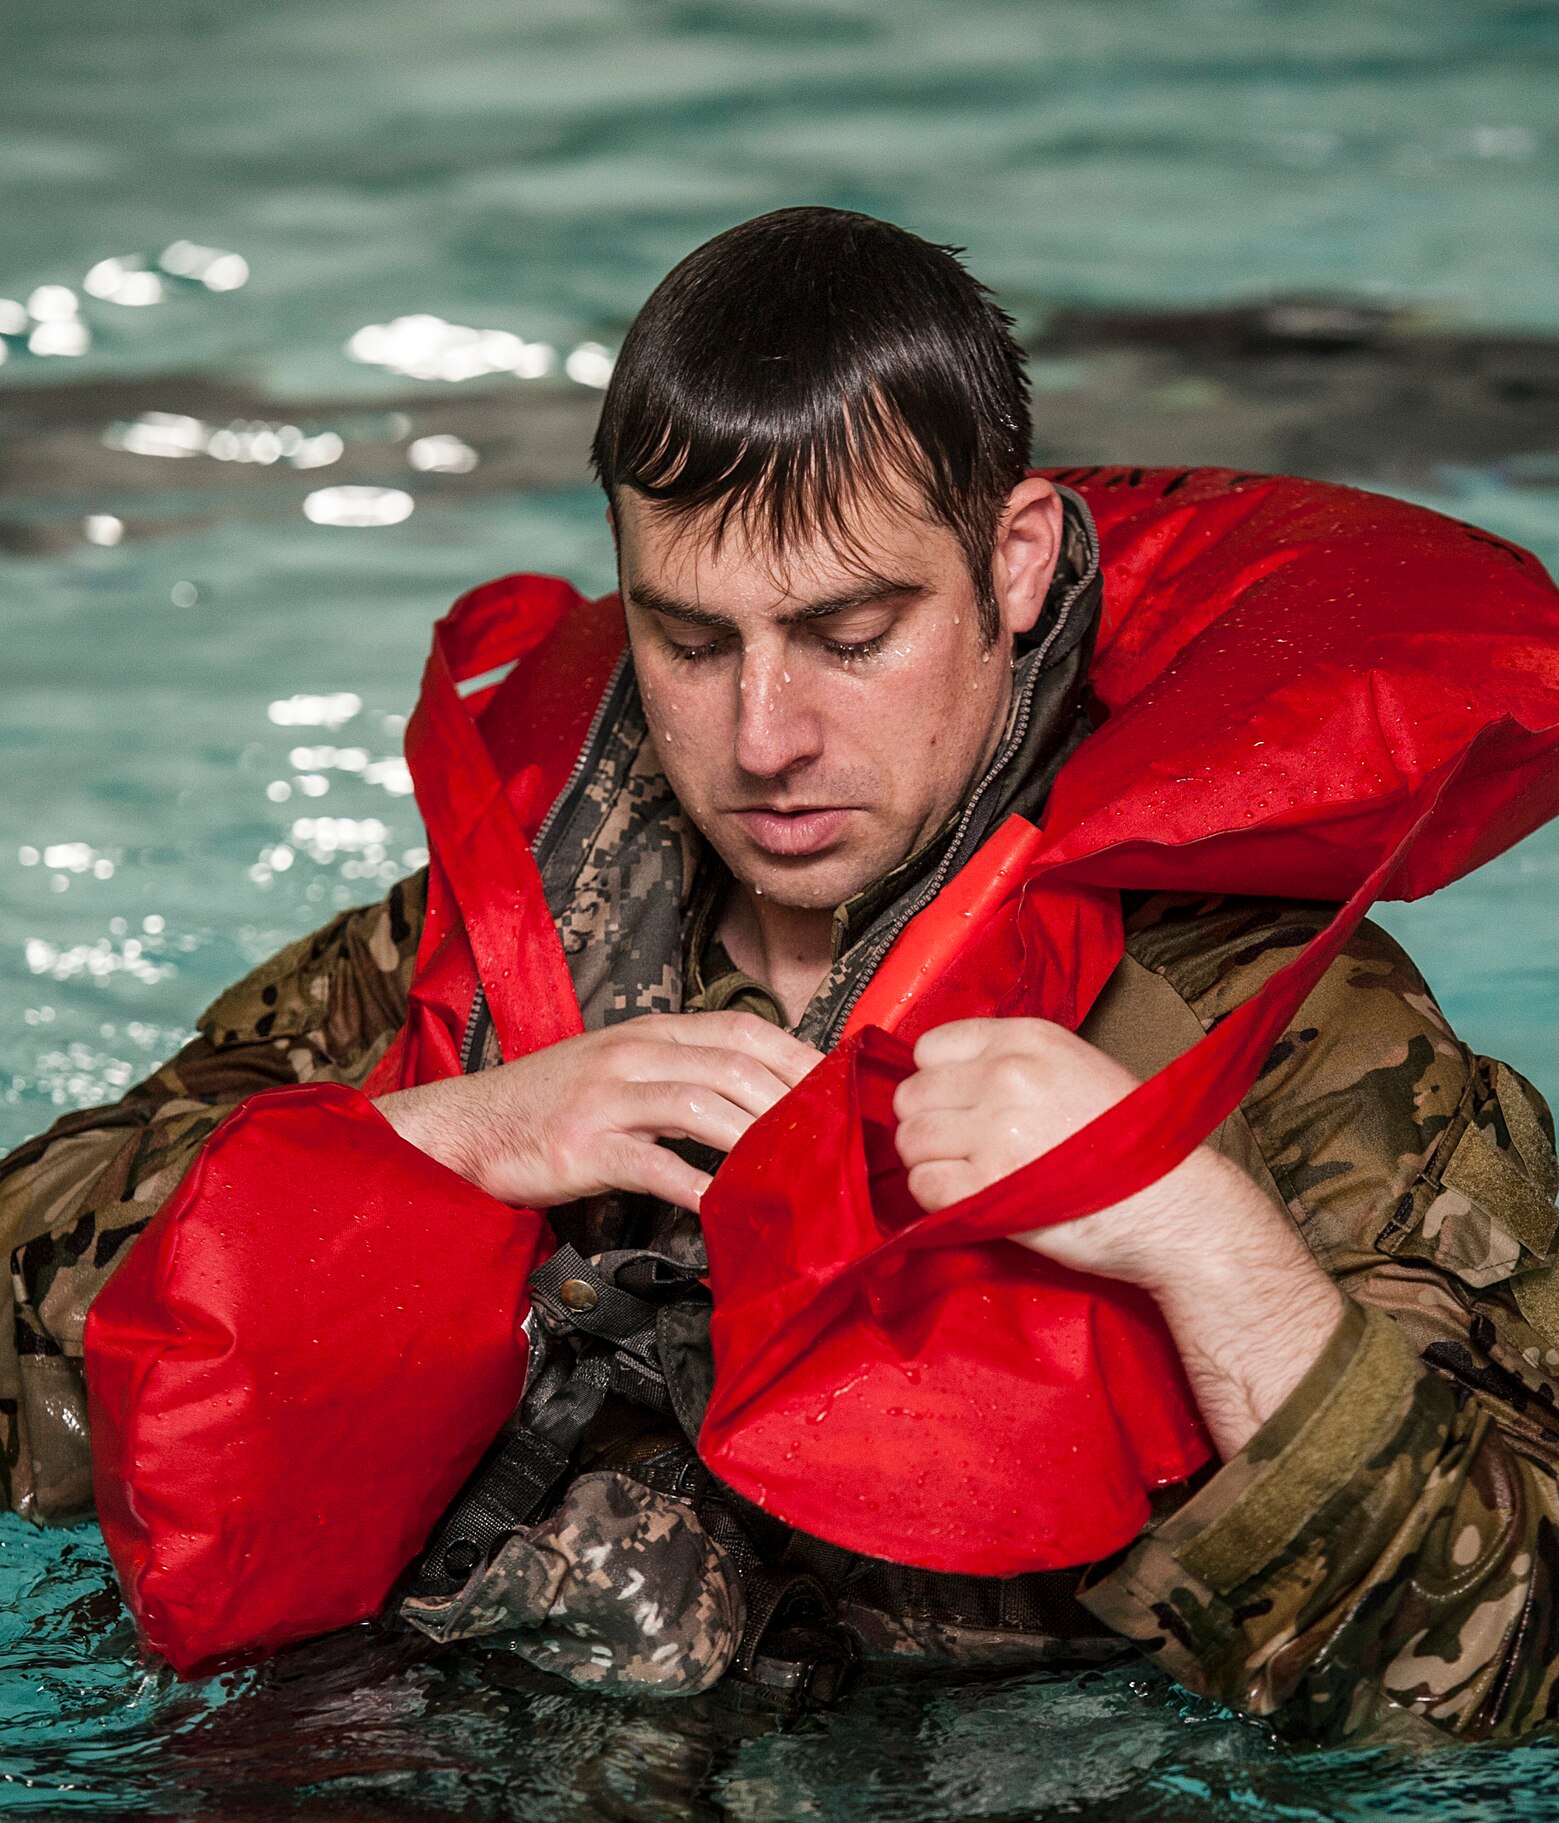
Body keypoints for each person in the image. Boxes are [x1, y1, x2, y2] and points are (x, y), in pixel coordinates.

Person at [6, 207, 1559, 1743]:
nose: (765, 740)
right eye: (691, 643)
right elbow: (28, 1373)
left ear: (1013, 566)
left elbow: (1511, 1677)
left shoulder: (1264, 1028)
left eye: (851, 636)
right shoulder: (473, 958)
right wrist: (435, 1145)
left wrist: (1198, 1235)